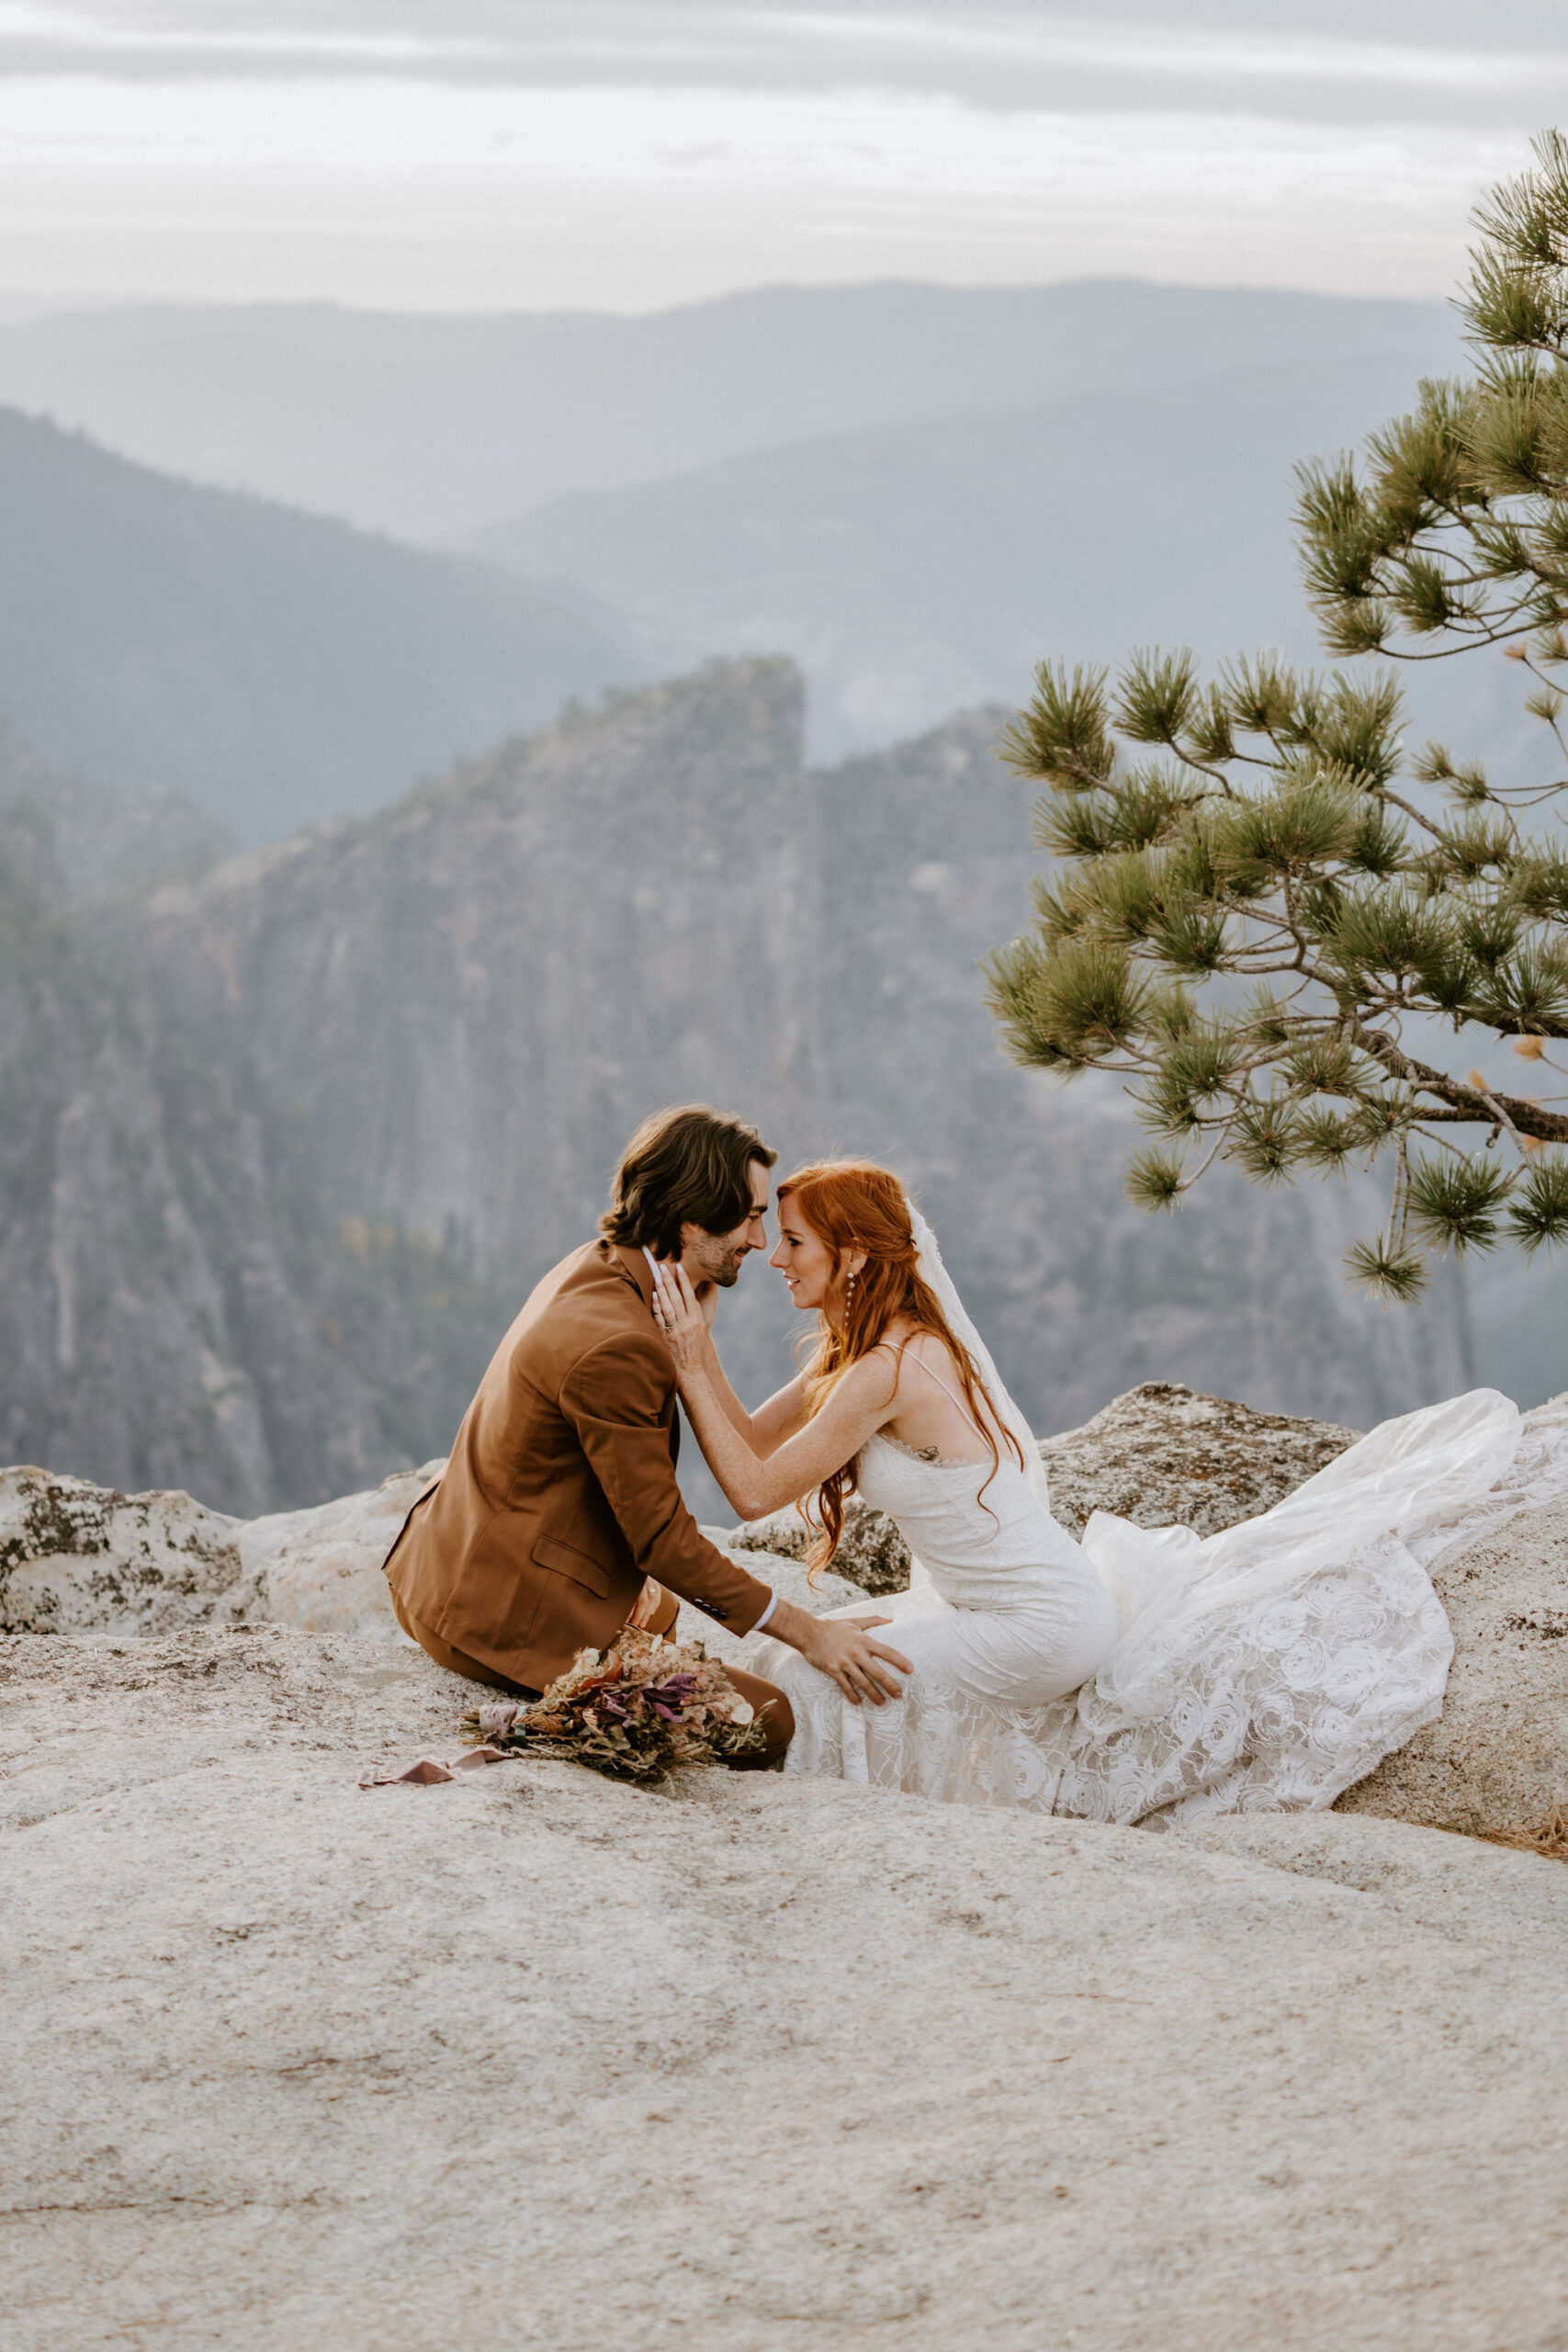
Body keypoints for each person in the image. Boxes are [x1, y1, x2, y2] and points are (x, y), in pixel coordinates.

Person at [649, 1157, 1536, 1824]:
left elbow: (755, 1491)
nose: (773, 1258)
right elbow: (752, 1441)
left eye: (793, 1240)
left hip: (1040, 1627)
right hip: (990, 1605)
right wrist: (699, 1349)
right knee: (783, 1659)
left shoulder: (888, 1367)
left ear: (849, 1255)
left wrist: (692, 1358)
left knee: (820, 1686)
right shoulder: (860, 1351)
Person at [381, 1106, 910, 1768]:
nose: (758, 1239)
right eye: (748, 1216)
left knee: (659, 1615)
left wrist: (697, 1346)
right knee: (772, 1723)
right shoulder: (619, 1345)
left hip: (446, 1569)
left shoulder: (603, 1268)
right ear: (691, 1219)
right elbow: (661, 1539)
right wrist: (810, 1632)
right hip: (493, 1620)